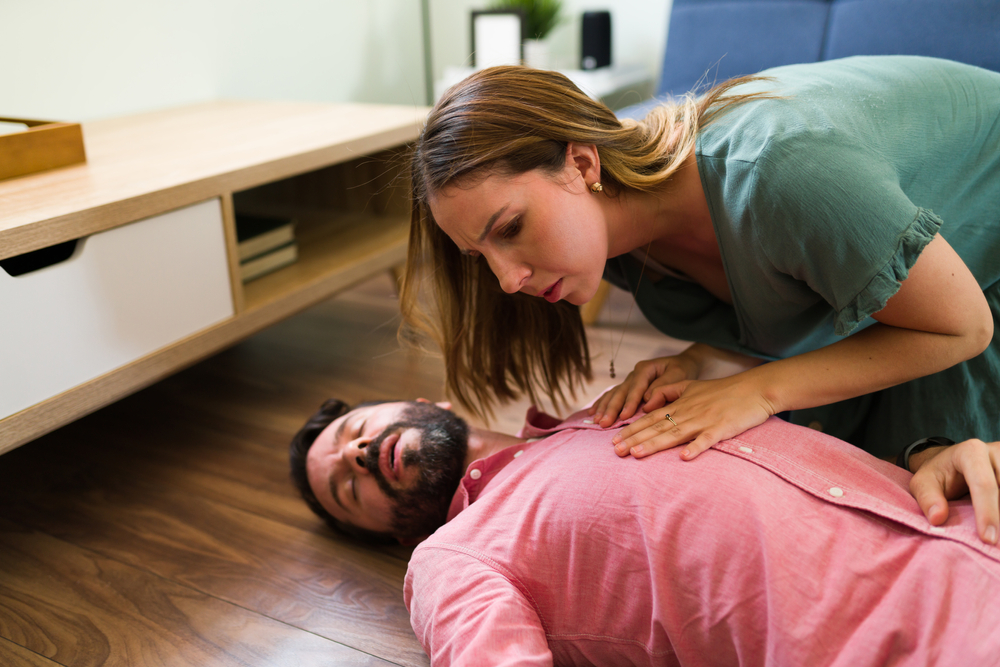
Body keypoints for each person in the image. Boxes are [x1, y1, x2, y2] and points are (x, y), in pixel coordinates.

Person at [399, 55, 1000, 543]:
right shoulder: (617, 238)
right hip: (934, 294)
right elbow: (802, 296)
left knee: (937, 510)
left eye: (510, 229)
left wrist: (759, 390)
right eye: (482, 257)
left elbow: (961, 327)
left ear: (582, 162)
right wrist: (703, 359)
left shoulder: (779, 169)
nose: (506, 280)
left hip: (978, 279)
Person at [290, 397, 1000, 666]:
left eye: (356, 430)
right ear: (389, 537)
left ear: (425, 402)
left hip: (971, 510)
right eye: (347, 490)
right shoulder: (452, 555)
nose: (357, 455)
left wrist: (926, 452)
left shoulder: (607, 407)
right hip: (921, 640)